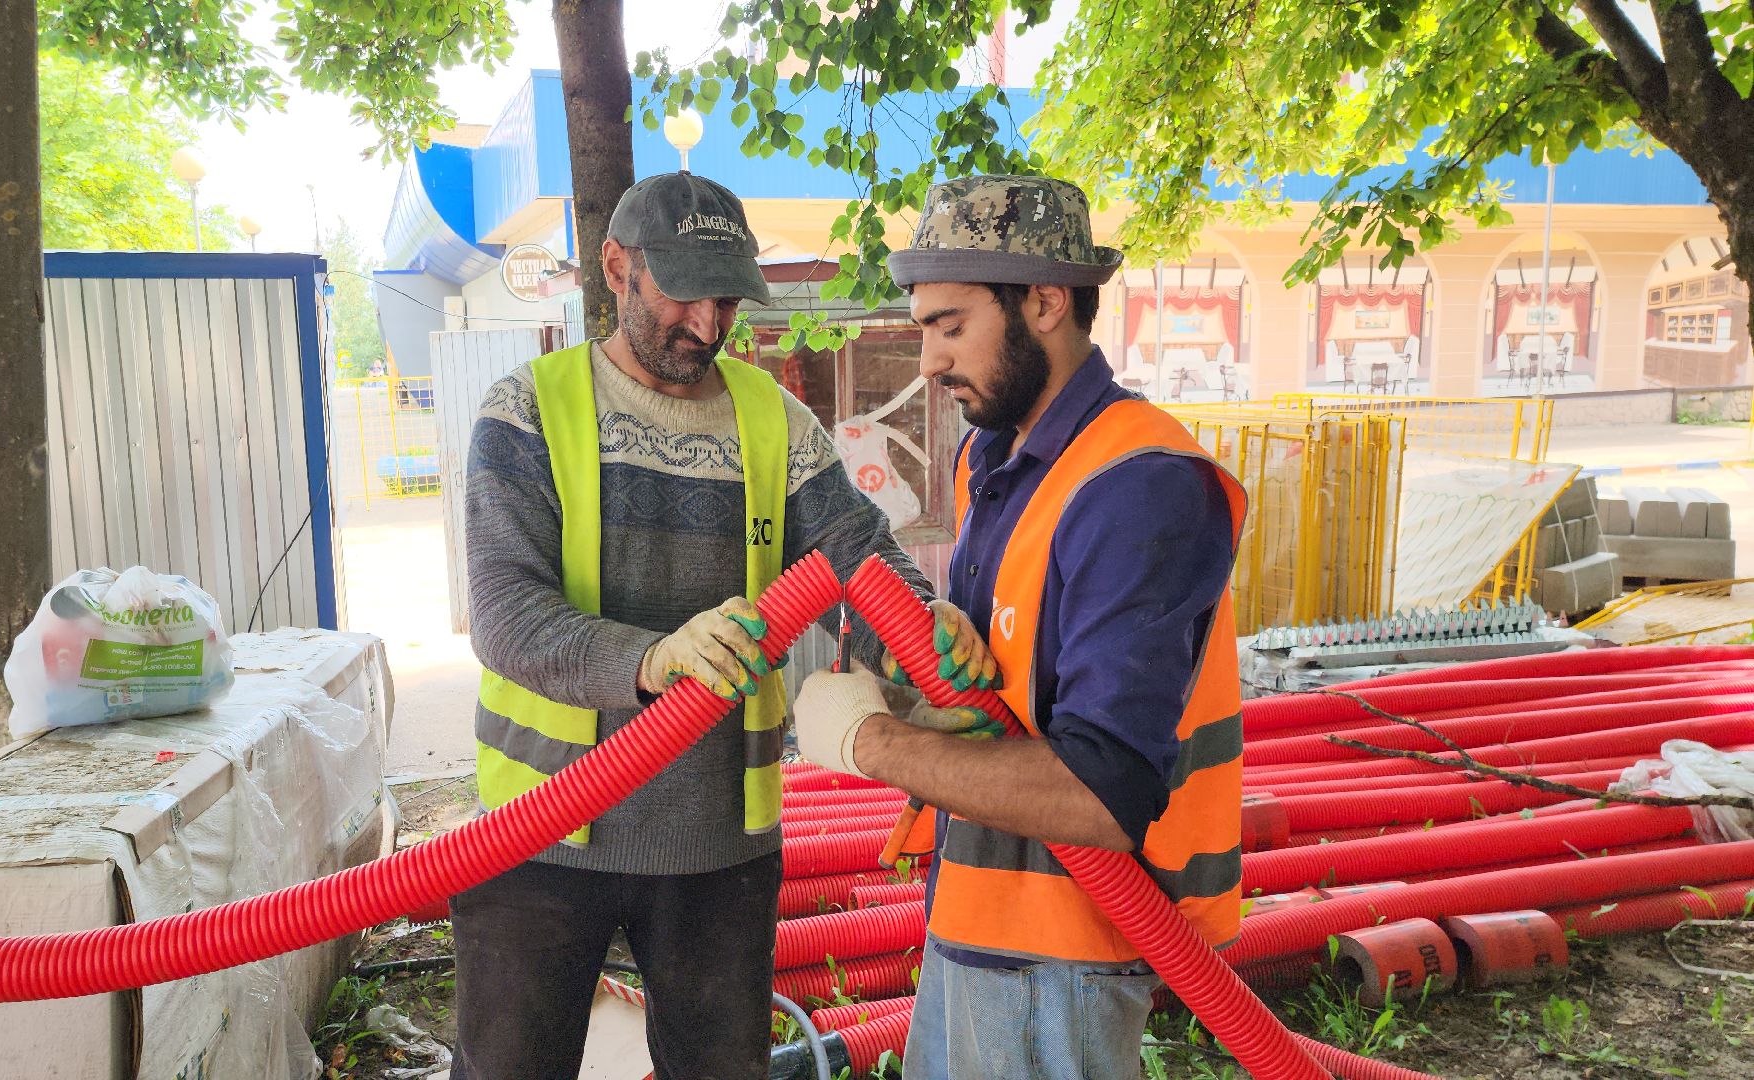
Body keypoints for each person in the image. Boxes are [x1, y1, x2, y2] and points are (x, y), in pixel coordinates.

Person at [453, 170, 937, 1080]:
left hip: (717, 845)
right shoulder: (525, 412)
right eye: (684, 291)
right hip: (541, 832)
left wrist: (927, 628)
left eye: (727, 298)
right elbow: (506, 617)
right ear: (615, 268)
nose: (710, 325)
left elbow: (859, 562)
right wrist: (651, 660)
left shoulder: (775, 422)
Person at [792, 175, 1246, 1080]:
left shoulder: (1140, 486)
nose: (927, 360)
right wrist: (919, 689)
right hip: (975, 910)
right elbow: (1004, 694)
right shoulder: (991, 457)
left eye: (950, 326)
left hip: (1065, 950)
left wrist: (871, 741)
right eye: (923, 326)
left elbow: (1102, 794)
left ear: (1046, 302)